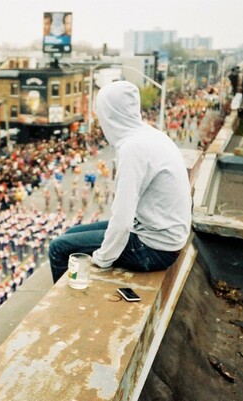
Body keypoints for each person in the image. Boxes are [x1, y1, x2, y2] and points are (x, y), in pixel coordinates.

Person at [48, 81, 192, 282]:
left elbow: (122, 217)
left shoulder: (132, 148)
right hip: (164, 237)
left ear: (109, 115)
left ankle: (64, 304)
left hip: (153, 249)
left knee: (58, 248)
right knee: (71, 233)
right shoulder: (150, 135)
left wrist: (102, 258)